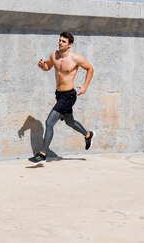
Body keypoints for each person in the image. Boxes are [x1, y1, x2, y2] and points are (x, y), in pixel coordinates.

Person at [28, 32, 95, 163]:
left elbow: (90, 69)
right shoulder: (54, 55)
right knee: (70, 122)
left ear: (69, 44)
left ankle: (42, 153)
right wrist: (43, 66)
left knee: (49, 122)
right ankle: (88, 134)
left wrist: (85, 86)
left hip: (69, 96)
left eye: (63, 41)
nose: (60, 43)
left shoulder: (75, 58)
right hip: (59, 95)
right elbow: (48, 67)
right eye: (59, 40)